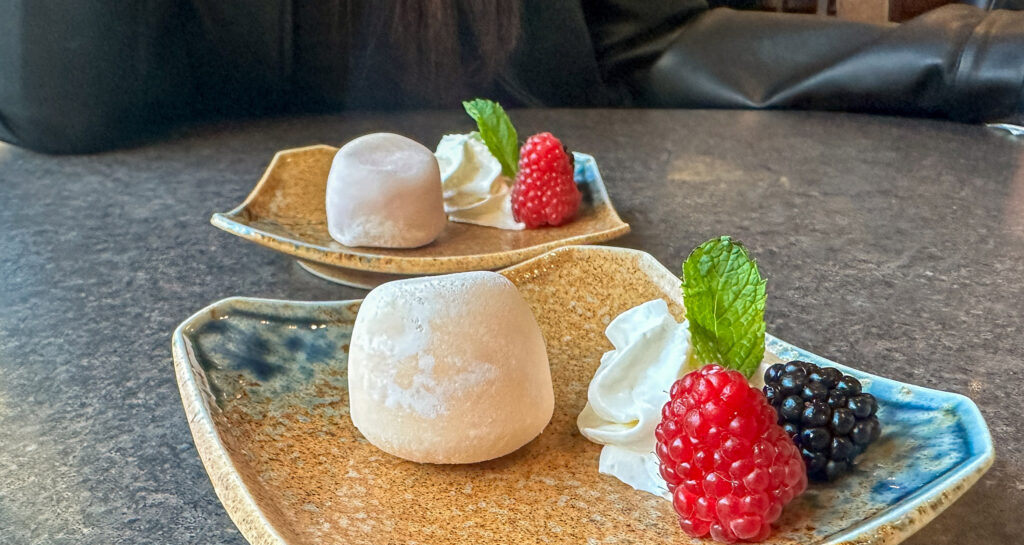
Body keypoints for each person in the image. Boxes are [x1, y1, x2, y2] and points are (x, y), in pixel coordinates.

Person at [1, 0, 1022, 154]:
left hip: (545, 275)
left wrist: (982, 57)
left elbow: (655, 39)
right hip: (171, 320)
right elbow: (68, 104)